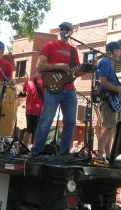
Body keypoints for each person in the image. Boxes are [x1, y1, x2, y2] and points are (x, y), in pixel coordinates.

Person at [32, 22, 86, 155]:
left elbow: (76, 72)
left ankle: (64, 154)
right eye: (61, 29)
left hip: (69, 89)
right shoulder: (50, 45)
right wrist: (59, 66)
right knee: (46, 120)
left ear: (71, 32)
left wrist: (87, 69)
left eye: (66, 29)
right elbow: (39, 67)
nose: (63, 31)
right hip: (52, 89)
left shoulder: (74, 51)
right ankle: (36, 151)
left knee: (70, 121)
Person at [95, 41, 121, 160]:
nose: (120, 52)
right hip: (107, 100)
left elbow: (110, 82)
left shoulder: (109, 64)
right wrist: (118, 88)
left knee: (110, 128)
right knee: (107, 127)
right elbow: (103, 81)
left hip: (110, 100)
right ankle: (99, 155)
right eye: (119, 50)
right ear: (113, 51)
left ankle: (108, 155)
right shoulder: (105, 62)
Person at [22, 76, 44, 148]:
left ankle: (24, 149)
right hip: (39, 110)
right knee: (38, 132)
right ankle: (36, 150)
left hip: (29, 109)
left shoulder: (29, 81)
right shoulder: (46, 81)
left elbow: (23, 92)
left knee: (28, 131)